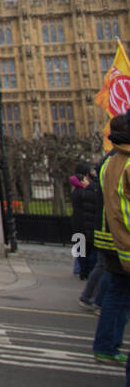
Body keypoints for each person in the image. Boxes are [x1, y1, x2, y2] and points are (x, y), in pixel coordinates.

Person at [92, 114, 130, 373]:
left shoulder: (108, 161)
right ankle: (106, 345)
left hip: (109, 238)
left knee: (116, 294)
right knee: (118, 297)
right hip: (123, 241)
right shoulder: (125, 162)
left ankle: (105, 345)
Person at [70, 162, 104, 310]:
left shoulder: (80, 190)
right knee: (87, 252)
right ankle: (83, 272)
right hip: (86, 225)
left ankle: (81, 271)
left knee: (82, 250)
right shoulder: (88, 191)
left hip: (80, 224)